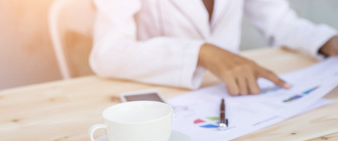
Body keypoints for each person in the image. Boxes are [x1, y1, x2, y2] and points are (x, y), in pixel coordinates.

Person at [89, 0, 338, 96]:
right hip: (161, 95)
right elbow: (107, 53)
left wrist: (325, 40)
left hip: (233, 94)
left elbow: (279, 20)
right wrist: (201, 53)